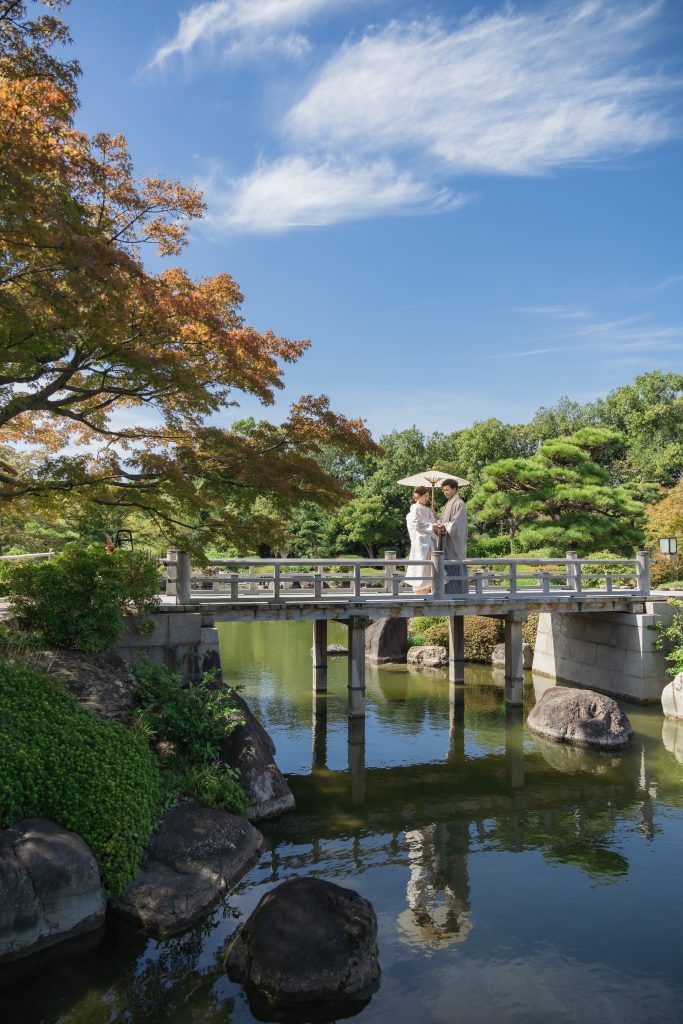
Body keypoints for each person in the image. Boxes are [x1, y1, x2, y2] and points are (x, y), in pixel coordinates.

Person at [433, 479, 467, 593]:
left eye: (447, 490)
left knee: (455, 569)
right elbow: (445, 522)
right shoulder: (448, 503)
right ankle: (449, 594)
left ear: (455, 489)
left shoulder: (459, 503)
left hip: (454, 546)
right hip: (446, 544)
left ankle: (458, 594)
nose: (445, 492)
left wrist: (444, 525)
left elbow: (456, 525)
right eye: (443, 490)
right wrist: (437, 521)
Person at [406, 486, 436, 593]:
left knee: (430, 565)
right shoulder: (415, 508)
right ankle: (420, 588)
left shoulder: (426, 509)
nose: (427, 498)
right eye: (425, 496)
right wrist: (432, 526)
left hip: (429, 540)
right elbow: (416, 524)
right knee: (421, 564)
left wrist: (432, 515)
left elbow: (430, 522)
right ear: (418, 496)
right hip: (421, 541)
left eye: (428, 496)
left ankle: (430, 586)